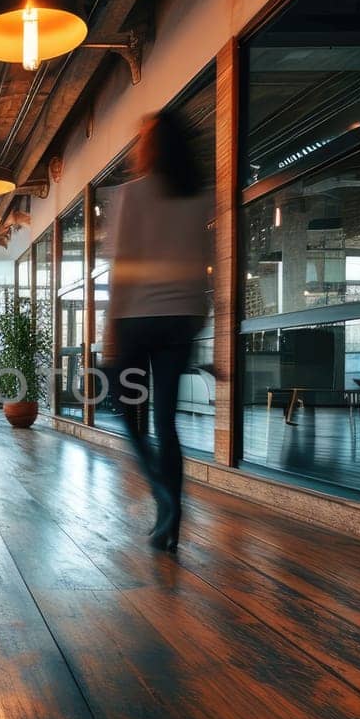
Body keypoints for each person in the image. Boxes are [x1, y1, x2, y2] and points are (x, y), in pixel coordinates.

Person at [107, 109, 212, 553]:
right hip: (184, 318)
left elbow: (121, 268)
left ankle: (163, 494)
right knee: (166, 424)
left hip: (138, 319)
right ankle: (171, 518)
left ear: (151, 145)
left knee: (120, 404)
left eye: (141, 136)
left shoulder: (130, 194)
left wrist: (111, 331)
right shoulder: (201, 197)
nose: (137, 144)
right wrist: (204, 319)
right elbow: (210, 263)